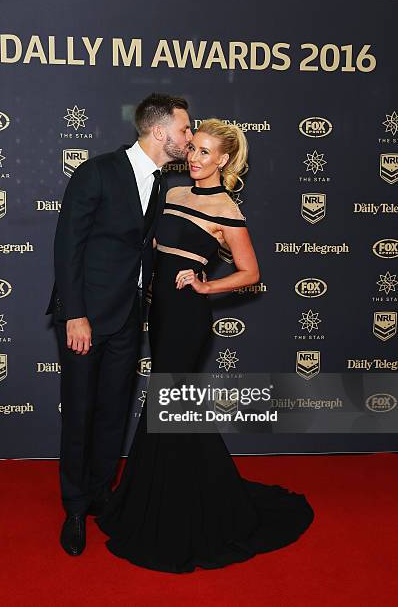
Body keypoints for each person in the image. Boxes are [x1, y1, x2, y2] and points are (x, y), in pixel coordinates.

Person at [96, 118, 314, 573]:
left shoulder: (227, 210)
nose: (194, 158)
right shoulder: (173, 194)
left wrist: (204, 285)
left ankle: (178, 510)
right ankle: (169, 497)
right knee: (174, 407)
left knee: (171, 405)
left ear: (224, 160)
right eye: (192, 148)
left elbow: (251, 273)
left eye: (205, 152)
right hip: (160, 314)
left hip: (187, 319)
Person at [46, 93, 193, 556]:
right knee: (80, 413)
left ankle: (98, 492)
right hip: (86, 318)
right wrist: (75, 314)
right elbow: (67, 246)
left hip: (130, 316)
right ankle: (73, 507)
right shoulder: (97, 172)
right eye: (185, 130)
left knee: (113, 410)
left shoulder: (163, 183)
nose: (189, 138)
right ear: (158, 131)